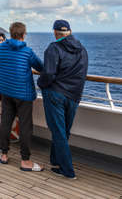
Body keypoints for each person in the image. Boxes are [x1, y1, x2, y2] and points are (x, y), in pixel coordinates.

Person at [38, 20, 88, 179]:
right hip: (74, 95)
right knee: (63, 131)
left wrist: (41, 84)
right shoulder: (82, 49)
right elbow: (82, 73)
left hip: (56, 94)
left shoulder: (54, 48)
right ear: (70, 31)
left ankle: (68, 171)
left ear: (54, 32)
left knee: (58, 132)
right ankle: (56, 160)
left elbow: (48, 74)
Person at [0, 22, 44, 171]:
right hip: (23, 94)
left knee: (5, 122)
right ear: (24, 34)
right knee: (25, 127)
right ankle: (25, 160)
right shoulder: (27, 51)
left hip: (6, 91)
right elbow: (41, 67)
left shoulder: (1, 48)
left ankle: (3, 154)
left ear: (10, 33)